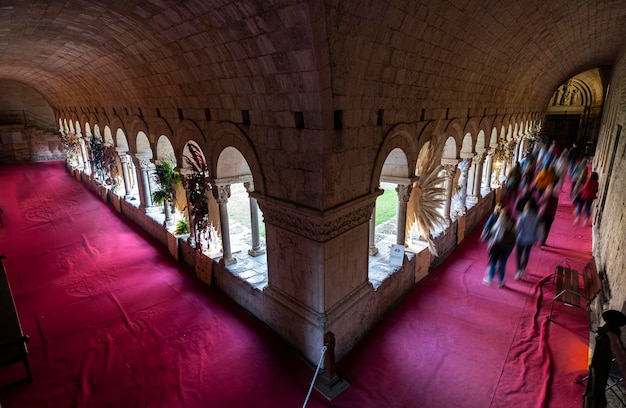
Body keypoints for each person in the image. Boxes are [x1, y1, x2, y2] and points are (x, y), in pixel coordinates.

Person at [483, 208, 517, 288]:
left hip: (498, 246)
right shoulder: (513, 223)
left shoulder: (499, 223)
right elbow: (515, 235)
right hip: (508, 247)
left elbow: (493, 233)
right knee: (503, 263)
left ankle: (490, 278)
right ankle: (500, 282)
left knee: (493, 261)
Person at [515, 199, 541, 280]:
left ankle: (518, 270)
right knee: (526, 254)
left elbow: (518, 228)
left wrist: (514, 237)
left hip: (521, 238)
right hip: (530, 239)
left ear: (527, 207)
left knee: (518, 255)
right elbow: (539, 229)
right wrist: (537, 238)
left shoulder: (522, 216)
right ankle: (523, 268)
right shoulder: (536, 217)